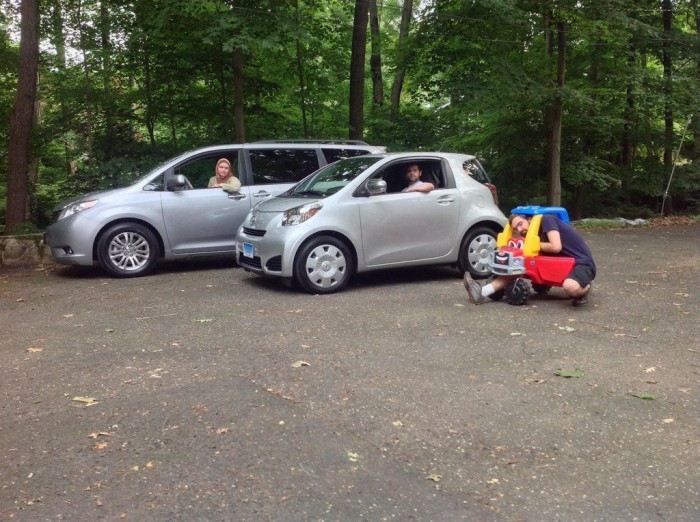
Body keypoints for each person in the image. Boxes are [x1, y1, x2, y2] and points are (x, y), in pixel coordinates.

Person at [464, 212, 596, 307]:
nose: (520, 229)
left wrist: (531, 245)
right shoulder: (532, 233)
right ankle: (481, 292)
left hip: (581, 262)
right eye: (516, 229)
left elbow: (556, 247)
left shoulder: (546, 219)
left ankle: (586, 287)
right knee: (518, 265)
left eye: (520, 224)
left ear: (529, 219)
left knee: (570, 287)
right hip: (562, 262)